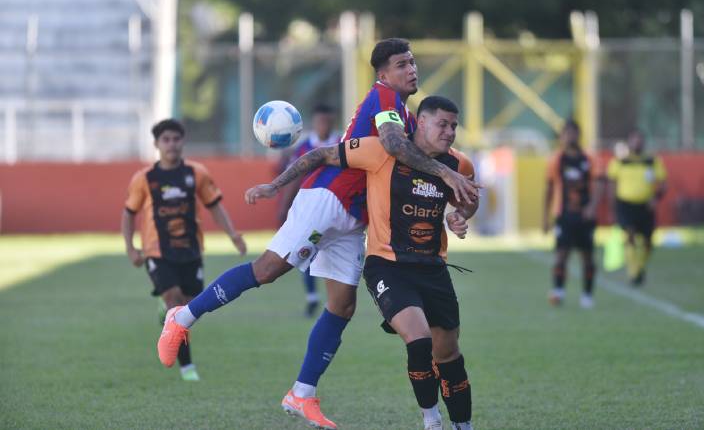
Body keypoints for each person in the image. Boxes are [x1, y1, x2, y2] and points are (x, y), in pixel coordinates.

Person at [156, 38, 478, 430]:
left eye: (412, 62)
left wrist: (452, 212)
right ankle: (182, 317)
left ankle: (302, 393)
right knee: (268, 270)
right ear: (383, 74)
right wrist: (276, 187)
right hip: (330, 196)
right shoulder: (385, 100)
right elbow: (390, 147)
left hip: (355, 217)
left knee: (342, 305)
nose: (411, 69)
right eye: (401, 64)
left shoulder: (410, 117)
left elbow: (410, 168)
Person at [250, 96, 478, 430]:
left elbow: (468, 201)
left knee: (448, 356)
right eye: (442, 124)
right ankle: (432, 420)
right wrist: (274, 185)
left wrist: (460, 217)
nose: (450, 132)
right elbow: (321, 154)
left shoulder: (459, 164)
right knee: (419, 342)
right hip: (388, 266)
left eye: (454, 126)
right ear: (422, 122)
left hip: (433, 268)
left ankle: (464, 424)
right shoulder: (382, 151)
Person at [122, 118, 247, 381]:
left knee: (189, 309)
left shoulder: (196, 173)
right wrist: (131, 248)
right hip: (158, 251)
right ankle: (187, 367)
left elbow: (214, 205)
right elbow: (129, 213)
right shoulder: (144, 179)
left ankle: (165, 313)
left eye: (176, 139)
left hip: (191, 251)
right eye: (165, 140)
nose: (171, 144)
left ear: (183, 142)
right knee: (175, 302)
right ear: (156, 144)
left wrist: (233, 235)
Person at [276, 104, 341, 317]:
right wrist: (284, 207)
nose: (324, 124)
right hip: (311, 213)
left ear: (332, 121)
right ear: (314, 122)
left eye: (327, 121)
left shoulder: (342, 143)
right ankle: (313, 296)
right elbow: (294, 178)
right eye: (320, 120)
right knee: (308, 250)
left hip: (338, 211)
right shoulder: (304, 148)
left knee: (332, 255)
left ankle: (335, 301)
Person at [542, 120, 600, 308]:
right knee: (561, 255)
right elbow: (549, 188)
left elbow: (599, 184)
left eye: (573, 133)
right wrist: (545, 217)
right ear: (562, 136)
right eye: (566, 133)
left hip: (585, 217)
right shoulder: (556, 160)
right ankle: (558, 290)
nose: (569, 137)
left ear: (578, 135)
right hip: (564, 215)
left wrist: (592, 206)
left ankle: (587, 295)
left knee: (587, 257)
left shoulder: (589, 158)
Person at [606, 130, 667, 286]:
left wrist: (656, 198)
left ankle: (640, 266)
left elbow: (663, 184)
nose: (637, 143)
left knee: (648, 242)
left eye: (640, 140)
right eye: (634, 140)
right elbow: (612, 184)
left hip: (646, 205)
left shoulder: (652, 161)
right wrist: (612, 207)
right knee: (630, 235)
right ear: (629, 142)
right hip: (626, 204)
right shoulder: (620, 162)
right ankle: (633, 272)